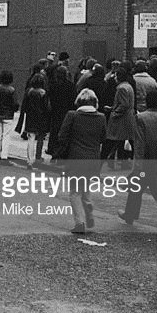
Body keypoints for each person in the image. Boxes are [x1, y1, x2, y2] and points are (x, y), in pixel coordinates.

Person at [119, 88, 157, 236]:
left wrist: (137, 167)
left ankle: (130, 214)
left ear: (147, 102)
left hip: (146, 164)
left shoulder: (141, 118)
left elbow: (140, 145)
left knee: (136, 187)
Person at [54, 89, 107, 234]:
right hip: (93, 160)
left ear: (79, 102)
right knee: (87, 191)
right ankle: (89, 216)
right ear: (94, 102)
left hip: (76, 159)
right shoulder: (101, 117)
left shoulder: (72, 115)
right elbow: (103, 138)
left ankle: (80, 223)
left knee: (75, 193)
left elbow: (62, 136)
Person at [20, 73, 50, 169]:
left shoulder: (29, 92)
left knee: (31, 139)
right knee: (40, 139)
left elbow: (24, 106)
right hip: (41, 118)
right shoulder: (43, 93)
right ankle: (38, 157)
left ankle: (30, 160)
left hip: (30, 118)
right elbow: (47, 108)